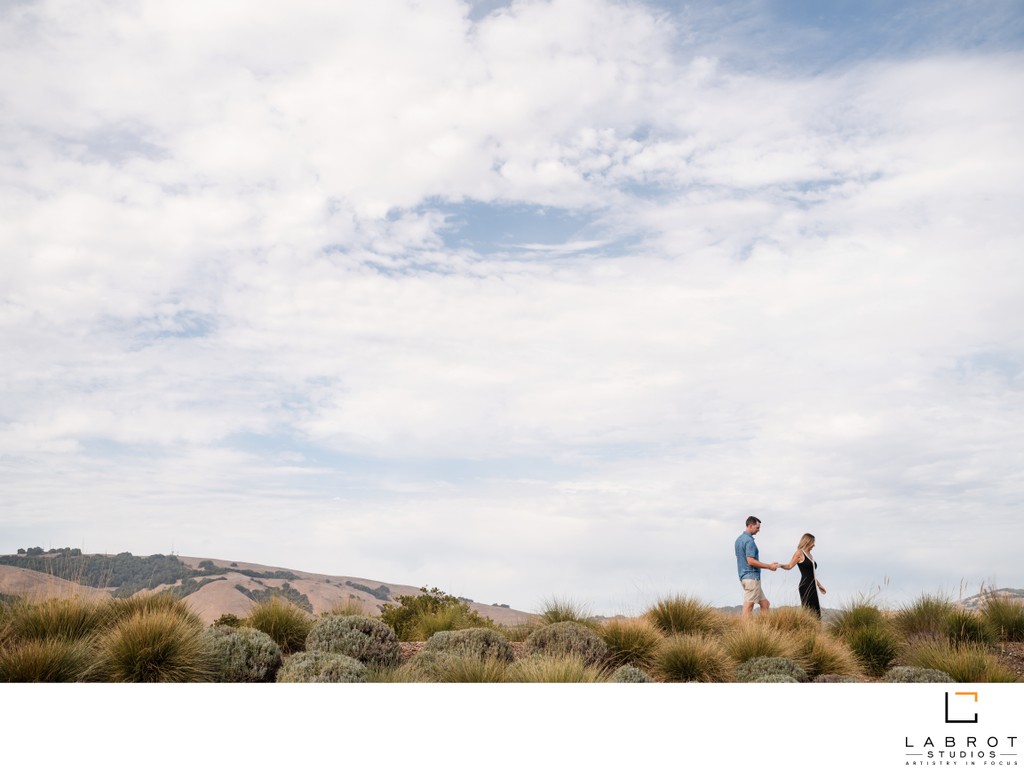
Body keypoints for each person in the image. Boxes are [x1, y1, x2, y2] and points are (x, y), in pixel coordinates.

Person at [734, 516, 779, 618]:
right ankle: (744, 631)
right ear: (750, 526)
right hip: (752, 578)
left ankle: (764, 628)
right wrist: (769, 566)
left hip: (744, 577)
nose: (759, 530)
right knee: (748, 607)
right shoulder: (750, 541)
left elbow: (739, 557)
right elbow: (750, 561)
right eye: (757, 528)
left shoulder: (738, 540)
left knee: (765, 604)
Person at [781, 533, 826, 619]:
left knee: (816, 611)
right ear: (807, 542)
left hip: (813, 586)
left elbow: (811, 573)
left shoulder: (810, 555)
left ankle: (816, 631)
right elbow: (789, 566)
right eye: (813, 542)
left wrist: (819, 585)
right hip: (805, 586)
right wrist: (780, 565)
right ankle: (807, 630)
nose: (814, 545)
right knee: (809, 611)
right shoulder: (799, 553)